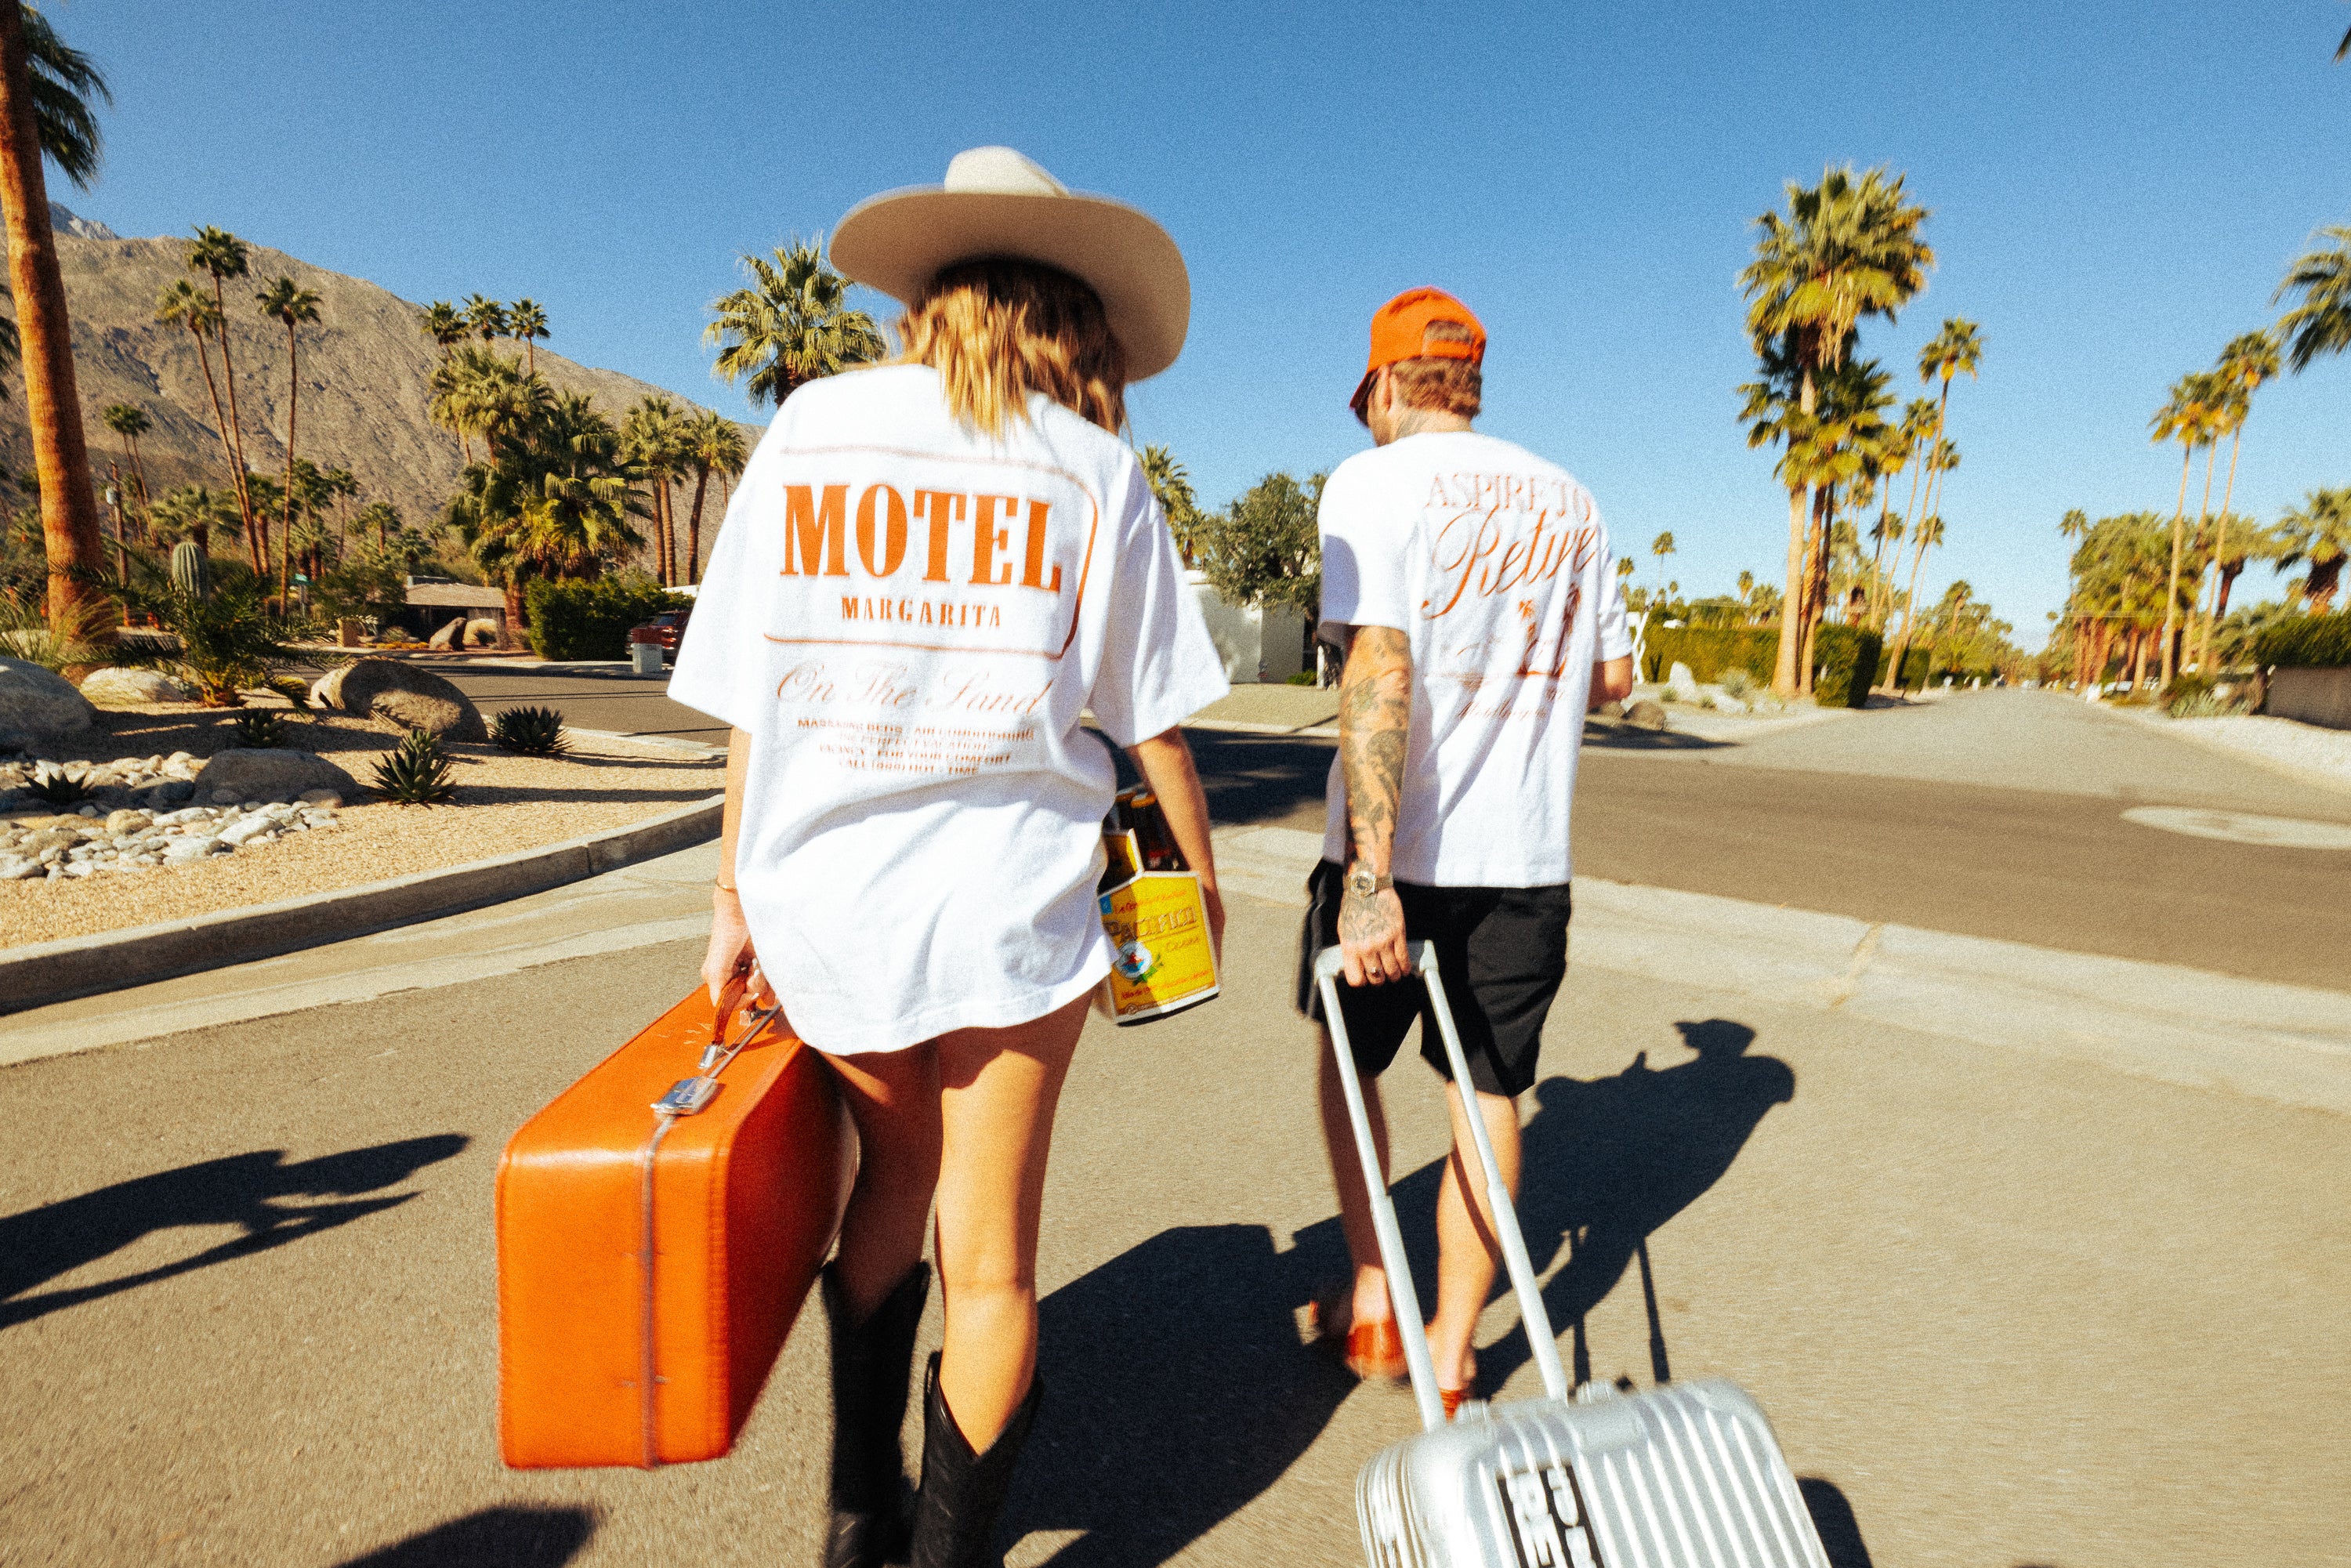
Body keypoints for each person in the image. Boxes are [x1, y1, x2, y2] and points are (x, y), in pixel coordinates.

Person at [670, 147, 1230, 1568]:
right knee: (992, 1261)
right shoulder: (1096, 466)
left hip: (827, 903)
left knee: (889, 1184)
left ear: (935, 296)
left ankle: (857, 1514)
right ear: (1067, 317)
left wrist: (731, 895)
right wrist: (1201, 886)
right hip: (1012, 908)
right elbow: (1150, 723)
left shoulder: (808, 429)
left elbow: (753, 687)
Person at [1299, 287, 1636, 1419]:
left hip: (1394, 858)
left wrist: (1369, 882)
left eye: (1367, 401)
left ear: (1391, 385)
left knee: (1352, 1067)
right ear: (1473, 385)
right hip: (1525, 858)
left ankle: (1376, 1286)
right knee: (1486, 1094)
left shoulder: (1372, 483)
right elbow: (1612, 683)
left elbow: (1379, 668)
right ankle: (1452, 1346)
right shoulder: (1577, 504)